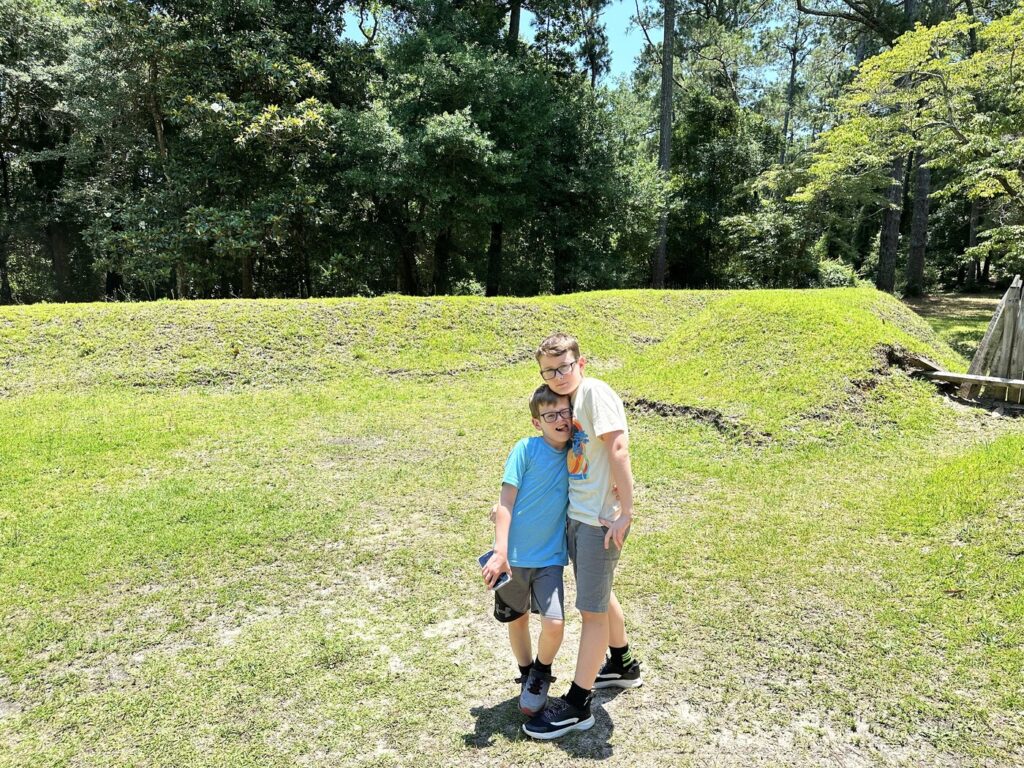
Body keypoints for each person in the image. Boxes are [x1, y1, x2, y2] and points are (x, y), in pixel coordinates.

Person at [522, 332, 643, 740]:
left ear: (581, 363)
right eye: (549, 371)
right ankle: (623, 665)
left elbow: (619, 449)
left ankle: (578, 704)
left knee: (590, 613)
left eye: (564, 366)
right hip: (580, 517)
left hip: (598, 522)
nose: (558, 376)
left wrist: (625, 512)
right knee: (601, 594)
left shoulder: (593, 392)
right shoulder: (571, 401)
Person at [481, 384, 573, 716]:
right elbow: (506, 501)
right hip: (513, 558)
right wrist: (500, 552)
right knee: (516, 620)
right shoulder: (524, 449)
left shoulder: (577, 454)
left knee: (554, 623)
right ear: (537, 423)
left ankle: (541, 671)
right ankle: (525, 674)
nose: (560, 420)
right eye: (550, 415)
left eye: (565, 412)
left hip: (550, 559)